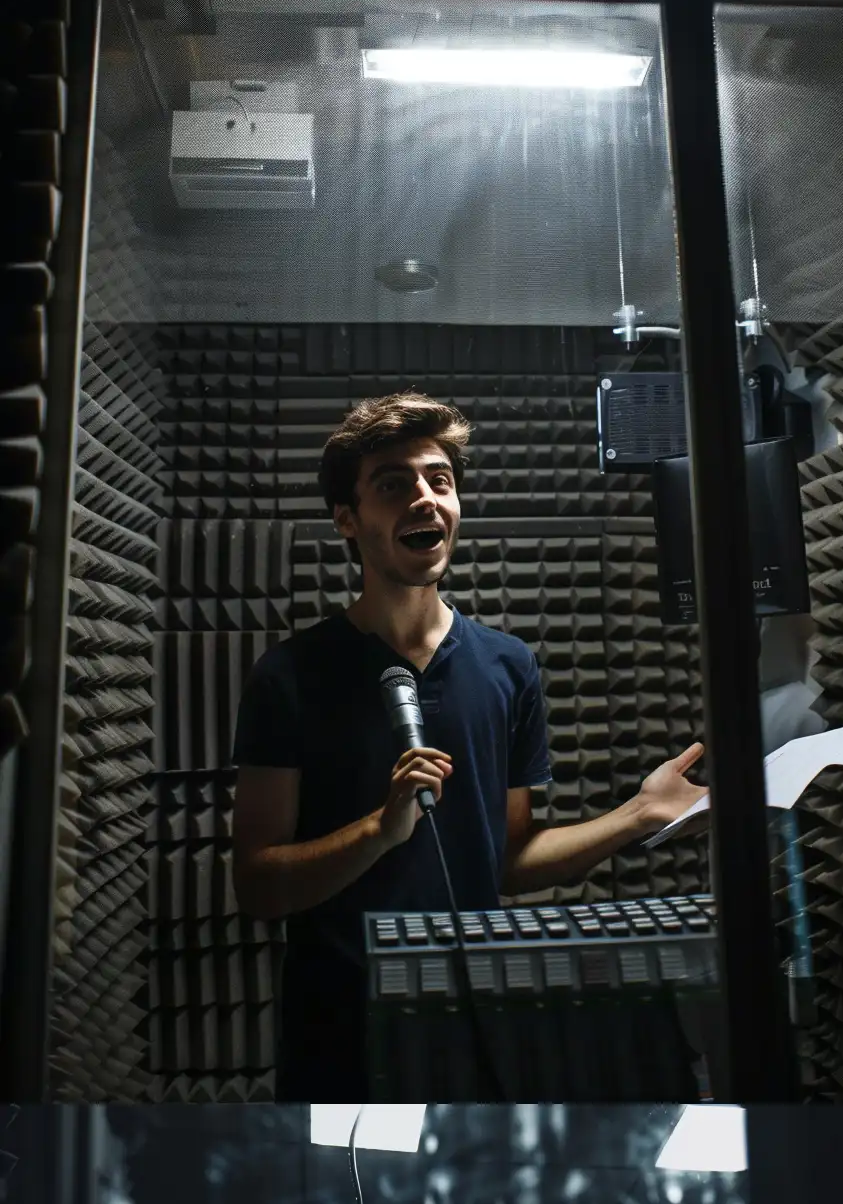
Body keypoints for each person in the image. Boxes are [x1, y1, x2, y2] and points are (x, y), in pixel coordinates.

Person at [231, 393, 708, 1100]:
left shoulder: (507, 665)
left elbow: (507, 859)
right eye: (394, 485)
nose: (424, 498)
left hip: (477, 1012)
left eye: (439, 480)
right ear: (347, 520)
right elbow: (258, 885)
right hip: (341, 1025)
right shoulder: (288, 676)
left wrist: (638, 816)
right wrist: (378, 830)